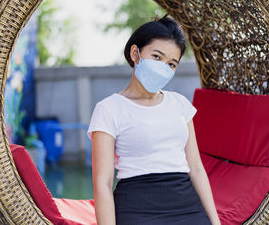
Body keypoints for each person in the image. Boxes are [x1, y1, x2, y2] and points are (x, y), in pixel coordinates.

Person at [87, 15, 220, 225]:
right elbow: (103, 183)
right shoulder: (108, 109)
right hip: (136, 207)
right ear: (135, 53)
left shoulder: (180, 104)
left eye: (171, 64)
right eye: (157, 57)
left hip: (186, 204)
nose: (163, 68)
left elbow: (195, 168)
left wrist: (215, 221)